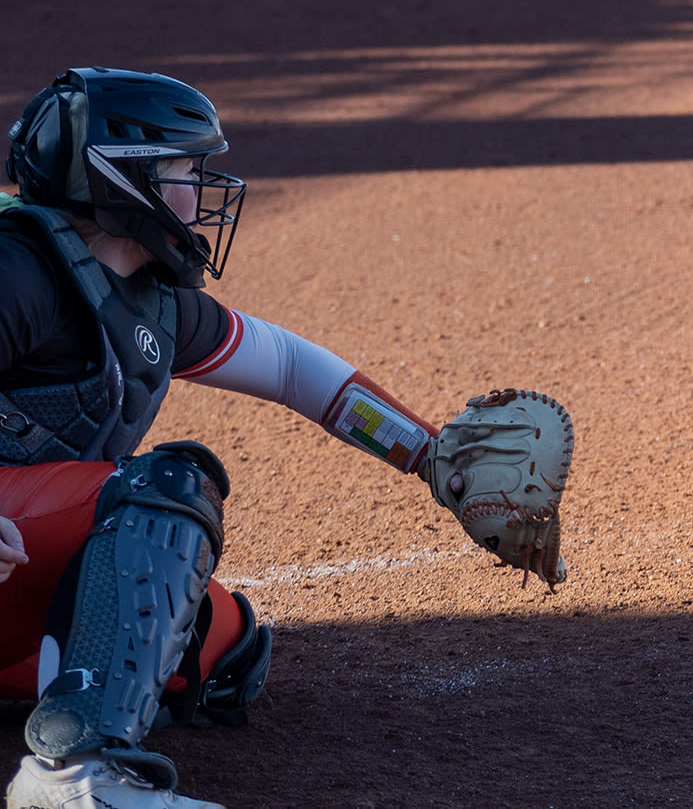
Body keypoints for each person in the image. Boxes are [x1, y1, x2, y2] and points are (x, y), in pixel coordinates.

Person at [0, 68, 534, 809]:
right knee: (167, 484)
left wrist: (433, 458)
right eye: (187, 168)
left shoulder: (154, 300)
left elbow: (291, 368)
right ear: (122, 179)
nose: (204, 187)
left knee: (218, 649)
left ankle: (63, 711)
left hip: (15, 561)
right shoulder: (18, 267)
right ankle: (71, 778)